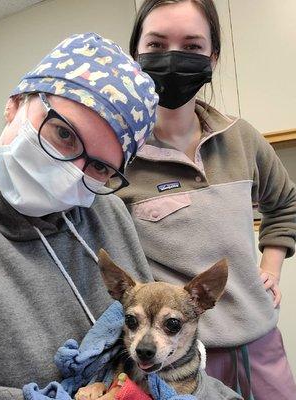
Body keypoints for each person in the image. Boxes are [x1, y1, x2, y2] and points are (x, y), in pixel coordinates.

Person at [116, 1, 296, 399]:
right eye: (157, 45)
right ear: (135, 57)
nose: (173, 59)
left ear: (213, 56)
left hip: (260, 345)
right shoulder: (115, 158)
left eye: (192, 46)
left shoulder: (242, 138)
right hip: (173, 360)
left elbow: (285, 203)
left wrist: (272, 267)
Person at [0, 32, 159, 399]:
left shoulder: (107, 212)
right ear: (15, 103)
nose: (70, 171)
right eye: (63, 134)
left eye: (98, 167)